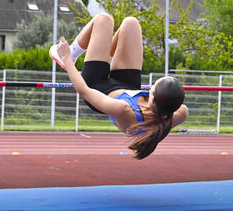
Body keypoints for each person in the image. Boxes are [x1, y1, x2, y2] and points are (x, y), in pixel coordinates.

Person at [50, 13, 188, 159]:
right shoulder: (179, 112)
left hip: (97, 86)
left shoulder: (124, 110)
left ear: (153, 99)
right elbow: (179, 108)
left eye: (152, 88)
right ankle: (106, 58)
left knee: (104, 19)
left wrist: (66, 58)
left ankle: (73, 53)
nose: (150, 88)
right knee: (131, 23)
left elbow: (84, 91)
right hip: (129, 86)